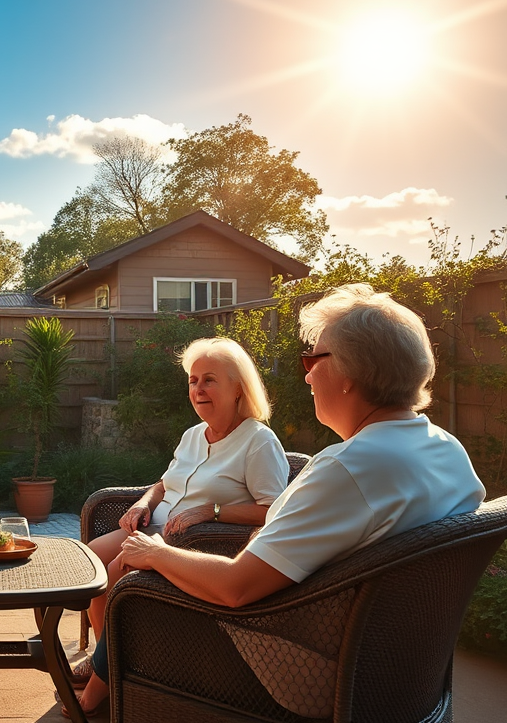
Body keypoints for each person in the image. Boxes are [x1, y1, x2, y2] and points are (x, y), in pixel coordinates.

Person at [70, 284, 486, 718]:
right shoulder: (447, 449)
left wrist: (156, 553)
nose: (306, 375)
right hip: (399, 670)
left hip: (308, 669)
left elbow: (236, 588)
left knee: (134, 592)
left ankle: (106, 690)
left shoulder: (347, 468)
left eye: (313, 361)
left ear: (348, 373)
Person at [71, 337, 288, 697]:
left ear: (238, 388)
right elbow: (163, 483)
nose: (198, 388)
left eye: (209, 380)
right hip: (156, 526)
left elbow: (274, 510)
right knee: (92, 559)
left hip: (195, 543)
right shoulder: (192, 436)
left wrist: (212, 511)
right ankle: (107, 661)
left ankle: (102, 682)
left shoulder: (258, 441)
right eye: (193, 380)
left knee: (114, 572)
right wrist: (143, 502)